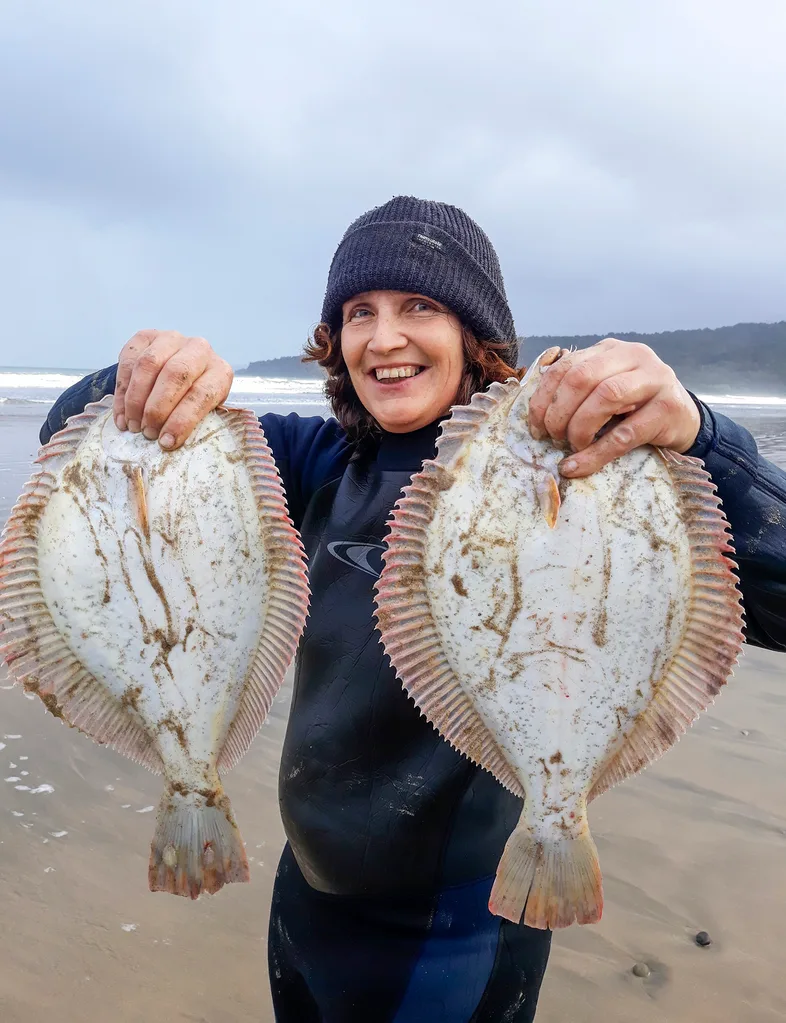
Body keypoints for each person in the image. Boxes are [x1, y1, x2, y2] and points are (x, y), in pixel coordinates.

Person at [42, 197, 786, 1022]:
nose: (384, 337)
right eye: (360, 312)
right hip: (307, 896)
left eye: (420, 307)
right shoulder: (306, 461)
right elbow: (83, 456)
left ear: (478, 336)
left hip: (457, 929)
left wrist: (702, 436)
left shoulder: (595, 472)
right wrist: (141, 376)